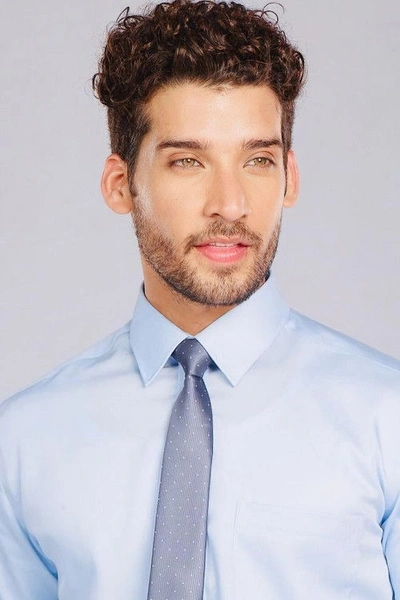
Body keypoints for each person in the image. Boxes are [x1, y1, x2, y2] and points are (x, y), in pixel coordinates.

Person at [0, 0, 399, 598]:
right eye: (188, 161)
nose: (230, 204)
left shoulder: (386, 419)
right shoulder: (24, 440)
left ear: (289, 177)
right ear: (120, 185)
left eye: (258, 160)